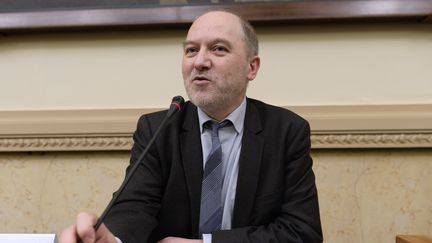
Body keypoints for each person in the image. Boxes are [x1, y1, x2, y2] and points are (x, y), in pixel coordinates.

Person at [60, 10, 323, 243]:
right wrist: (113, 240)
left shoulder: (286, 131)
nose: (199, 62)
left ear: (251, 67)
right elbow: (135, 206)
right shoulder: (158, 129)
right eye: (191, 50)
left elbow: (302, 232)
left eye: (218, 48)